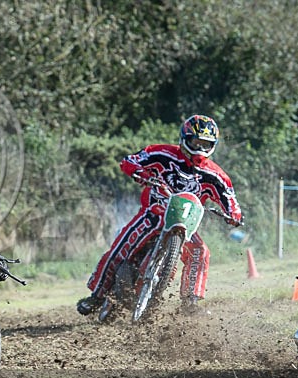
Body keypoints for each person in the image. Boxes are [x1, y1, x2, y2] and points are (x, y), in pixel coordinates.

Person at [77, 115, 243, 316]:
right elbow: (129, 161)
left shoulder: (216, 175)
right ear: (184, 138)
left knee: (201, 252)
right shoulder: (161, 153)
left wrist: (234, 215)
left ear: (213, 145)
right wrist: (141, 173)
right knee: (119, 250)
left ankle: (190, 303)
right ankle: (97, 296)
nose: (199, 148)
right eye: (195, 142)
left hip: (186, 224)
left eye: (205, 144)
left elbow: (230, 199)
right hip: (154, 213)